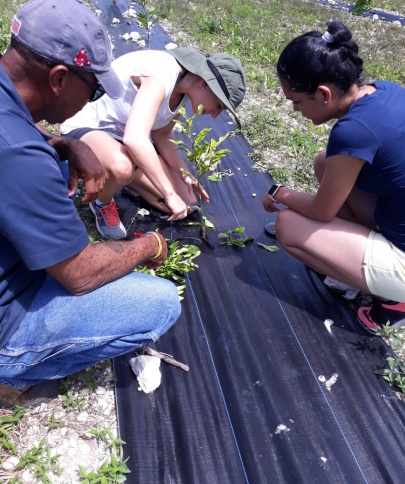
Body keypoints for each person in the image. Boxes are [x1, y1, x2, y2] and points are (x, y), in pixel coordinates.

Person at [0, 0, 181, 408]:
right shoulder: (19, 156)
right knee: (159, 303)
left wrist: (62, 142)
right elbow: (79, 276)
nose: (95, 98)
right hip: (6, 321)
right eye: (95, 88)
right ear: (60, 79)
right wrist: (147, 245)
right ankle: (11, 370)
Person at [262, 20, 405, 333]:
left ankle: (394, 301)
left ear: (324, 94)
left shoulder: (352, 130)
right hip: (396, 218)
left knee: (288, 226)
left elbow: (320, 211)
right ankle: (363, 257)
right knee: (325, 163)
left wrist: (279, 192)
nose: (297, 110)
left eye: (297, 102)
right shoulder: (386, 91)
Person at [60, 47, 246, 239]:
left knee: (188, 202)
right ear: (204, 84)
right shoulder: (163, 74)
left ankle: (122, 176)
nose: (216, 114)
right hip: (90, 127)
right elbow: (135, 139)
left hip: (123, 139)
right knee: (123, 168)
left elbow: (162, 135)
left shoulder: (184, 90)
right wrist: (169, 194)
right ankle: (102, 202)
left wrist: (185, 174)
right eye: (219, 106)